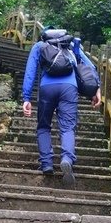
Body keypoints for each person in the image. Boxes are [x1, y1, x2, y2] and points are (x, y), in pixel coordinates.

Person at [21, 29, 101, 188]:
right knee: (68, 127)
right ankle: (67, 159)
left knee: (43, 126)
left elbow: (30, 72)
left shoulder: (39, 46)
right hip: (69, 87)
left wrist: (26, 97)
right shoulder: (70, 44)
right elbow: (89, 66)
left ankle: (47, 164)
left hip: (46, 88)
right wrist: (96, 89)